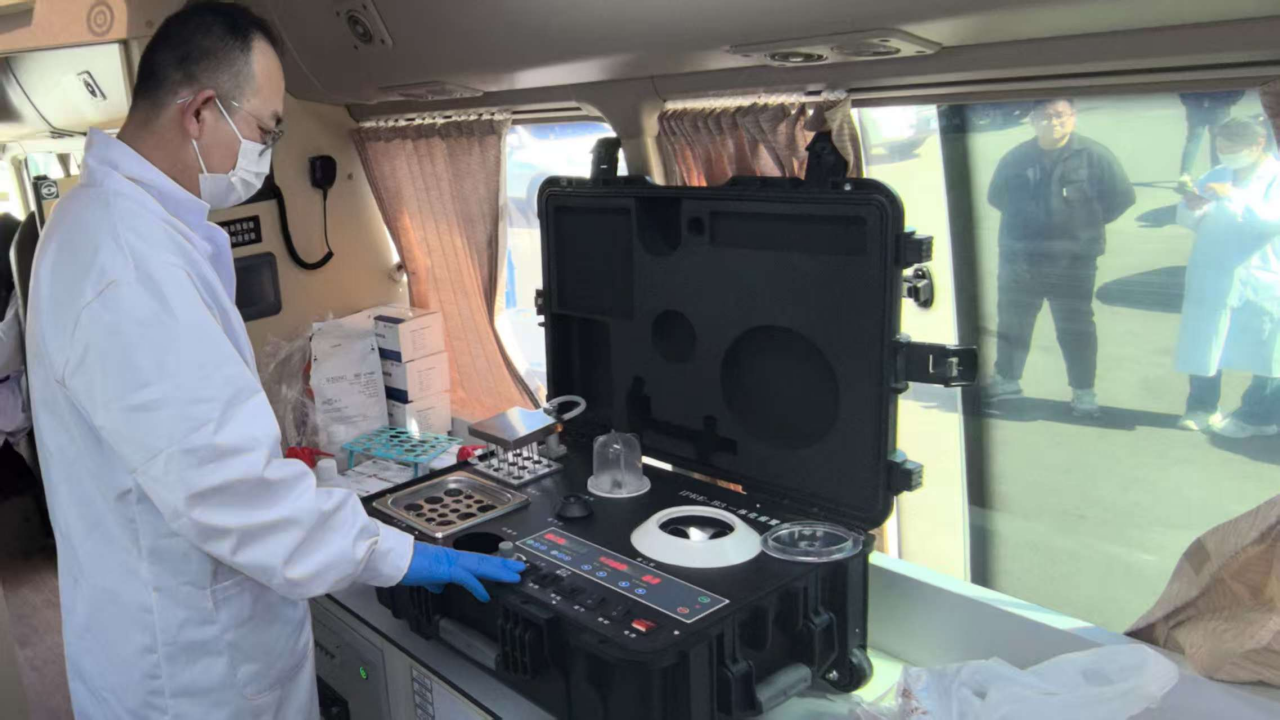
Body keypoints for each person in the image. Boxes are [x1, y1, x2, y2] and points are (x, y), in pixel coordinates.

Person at [23, 4, 524, 719]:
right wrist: (396, 555)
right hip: (192, 670)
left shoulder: (97, 221)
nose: (265, 153)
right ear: (200, 112)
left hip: (163, 623)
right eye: (264, 130)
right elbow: (231, 491)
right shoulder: (127, 265)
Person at [983, 99, 1136, 416]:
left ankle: (1083, 392)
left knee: (1075, 328)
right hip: (1021, 258)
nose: (1052, 122)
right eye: (1044, 116)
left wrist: (1084, 225)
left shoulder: (1095, 155)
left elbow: (1122, 197)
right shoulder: (1016, 158)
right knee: (1014, 322)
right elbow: (996, 196)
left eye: (1059, 115)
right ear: (1032, 120)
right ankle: (1007, 380)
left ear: (1073, 118)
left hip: (1073, 261)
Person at [1174, 117, 1280, 438]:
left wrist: (1233, 195)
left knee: (1268, 346)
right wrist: (1193, 206)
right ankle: (1202, 406)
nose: (1226, 154)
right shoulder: (1217, 173)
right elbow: (1187, 219)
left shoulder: (1275, 176)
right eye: (1221, 147)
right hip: (1213, 271)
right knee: (1205, 339)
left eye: (1232, 148)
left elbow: (1271, 220)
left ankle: (1259, 416)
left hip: (1261, 273)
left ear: (1257, 144)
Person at [1178, 91, 1247, 193]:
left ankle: (1185, 175)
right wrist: (1231, 99)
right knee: (1218, 140)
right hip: (1219, 102)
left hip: (1195, 102)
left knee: (1193, 140)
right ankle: (1216, 175)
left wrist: (1186, 99)